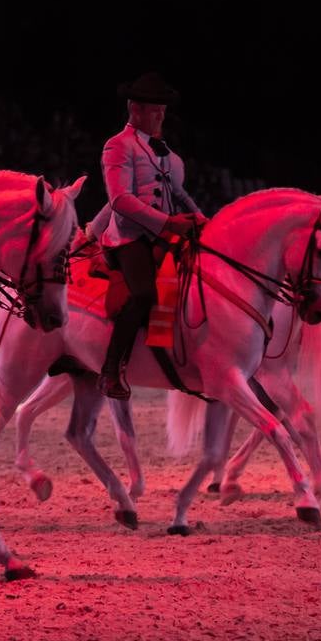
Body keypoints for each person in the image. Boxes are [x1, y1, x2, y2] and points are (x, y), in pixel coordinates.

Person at [97, 72, 205, 400]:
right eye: (153, 110)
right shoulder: (118, 146)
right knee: (143, 294)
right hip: (129, 238)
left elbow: (179, 193)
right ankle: (111, 369)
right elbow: (119, 199)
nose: (160, 116)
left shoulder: (167, 154)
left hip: (161, 235)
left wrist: (202, 218)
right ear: (134, 109)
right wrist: (167, 223)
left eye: (162, 110)